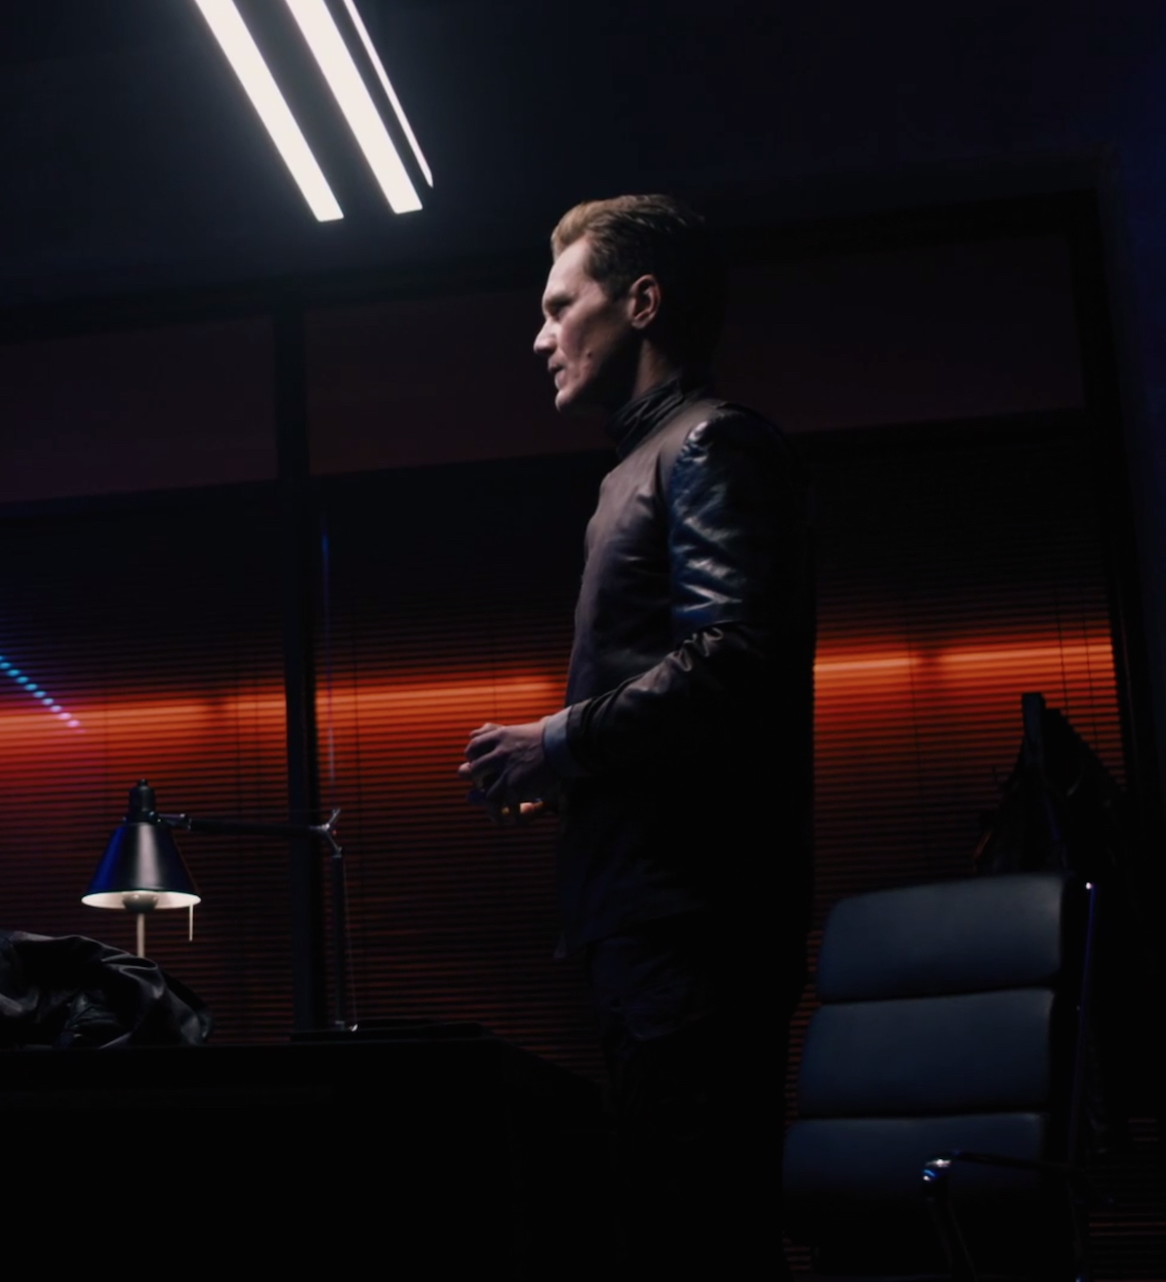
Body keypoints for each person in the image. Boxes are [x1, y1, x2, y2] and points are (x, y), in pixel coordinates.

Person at [457, 195, 814, 1277]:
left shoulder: (709, 444)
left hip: (692, 923)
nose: (541, 337)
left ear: (643, 302)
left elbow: (733, 661)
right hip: (649, 917)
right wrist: (574, 776)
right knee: (670, 1220)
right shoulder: (638, 466)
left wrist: (559, 744)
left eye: (560, 306)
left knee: (695, 1229)